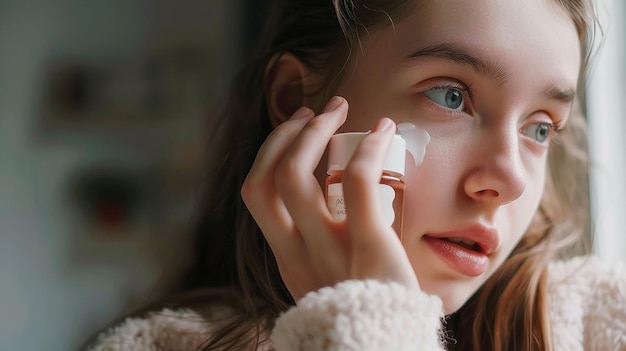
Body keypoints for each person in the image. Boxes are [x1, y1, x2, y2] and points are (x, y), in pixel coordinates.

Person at [86, 0, 626, 350]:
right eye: (450, 96)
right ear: (297, 100)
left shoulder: (597, 323)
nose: (508, 180)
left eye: (539, 128)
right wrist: (373, 319)